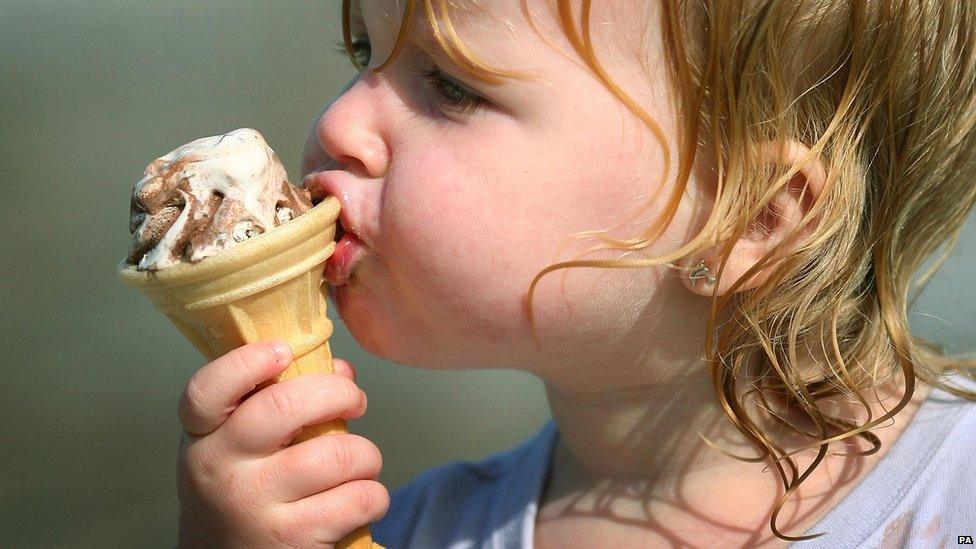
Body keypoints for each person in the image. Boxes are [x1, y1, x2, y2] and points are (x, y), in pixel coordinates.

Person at [173, 0, 976, 547]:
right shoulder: (403, 528)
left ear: (748, 219)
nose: (336, 121)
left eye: (452, 87)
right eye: (363, 52)